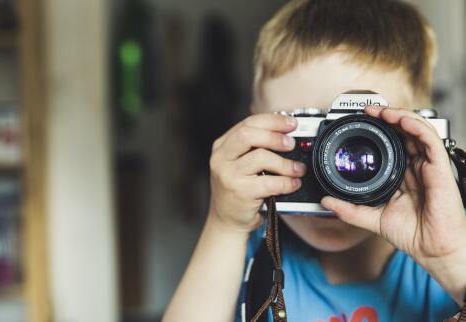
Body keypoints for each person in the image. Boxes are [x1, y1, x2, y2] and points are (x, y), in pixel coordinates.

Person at [162, 0, 466, 321]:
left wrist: (450, 259)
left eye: (364, 137)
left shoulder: (446, 251)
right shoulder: (252, 251)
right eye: (308, 138)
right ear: (257, 130)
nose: (331, 171)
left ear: (417, 134)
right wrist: (224, 226)